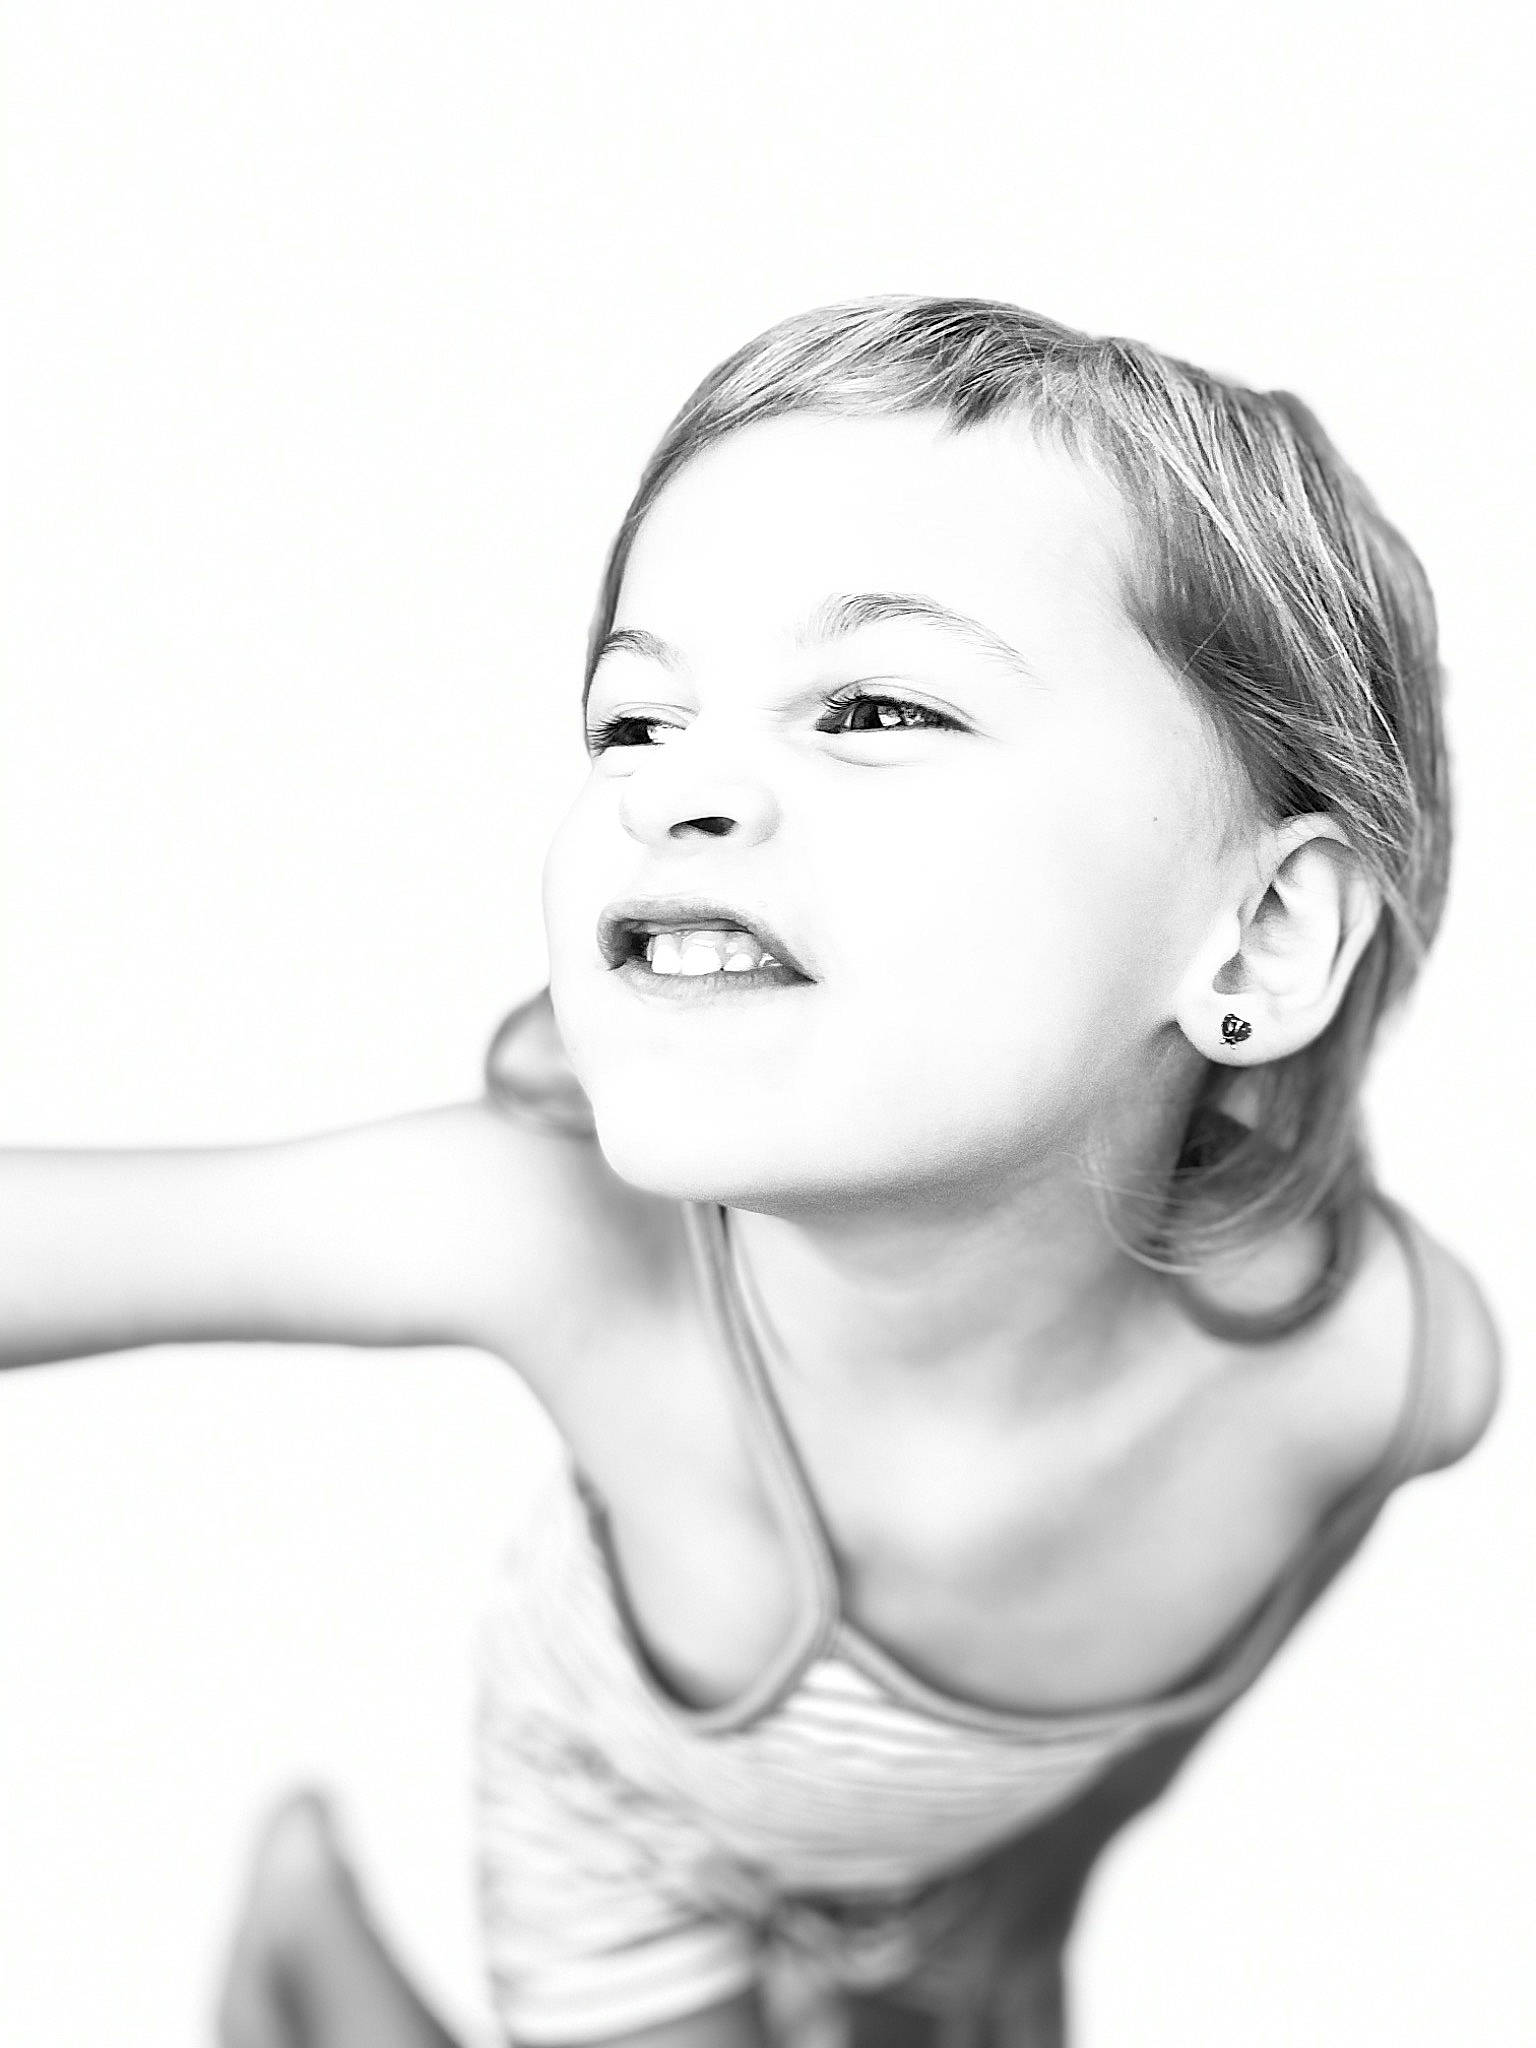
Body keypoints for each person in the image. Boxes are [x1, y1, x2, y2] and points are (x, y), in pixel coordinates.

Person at [3, 298, 1501, 2048]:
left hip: (943, 1879)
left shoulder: (1387, 1373)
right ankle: (309, 1949)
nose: (672, 792)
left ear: (1259, 937)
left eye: (871, 706)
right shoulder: (554, 1241)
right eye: (634, 722)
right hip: (628, 1846)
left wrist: (1025, 1905)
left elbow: (1172, 1712)